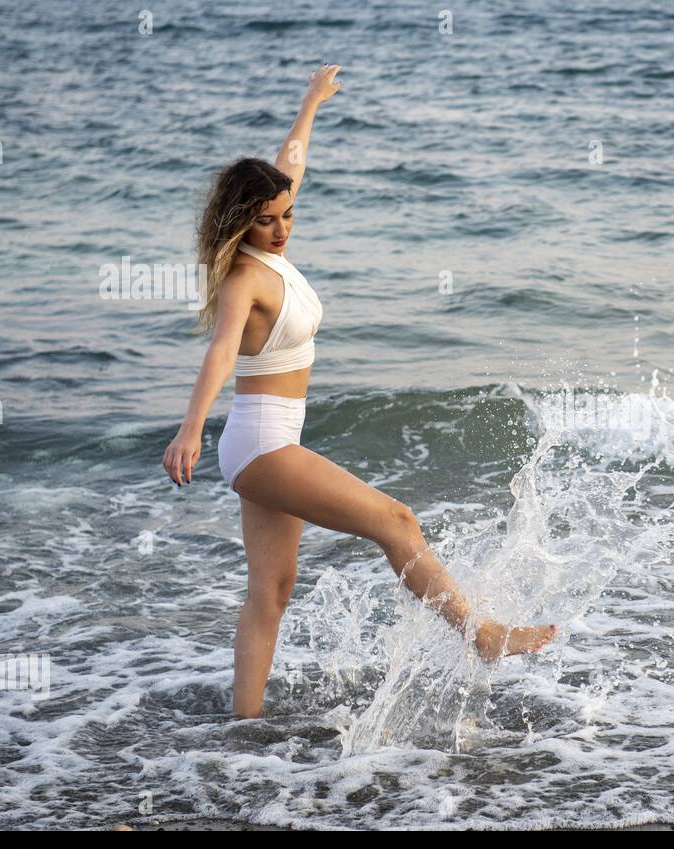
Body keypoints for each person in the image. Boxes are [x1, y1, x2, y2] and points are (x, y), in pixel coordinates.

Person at [161, 64, 557, 719]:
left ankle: (243, 727)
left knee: (270, 592)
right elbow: (222, 351)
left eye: (288, 214)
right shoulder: (244, 280)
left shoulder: (274, 254)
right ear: (241, 224)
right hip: (259, 444)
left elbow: (291, 161)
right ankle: (480, 634)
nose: (282, 228)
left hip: (272, 439)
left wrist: (312, 101)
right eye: (267, 220)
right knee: (395, 521)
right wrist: (190, 427)